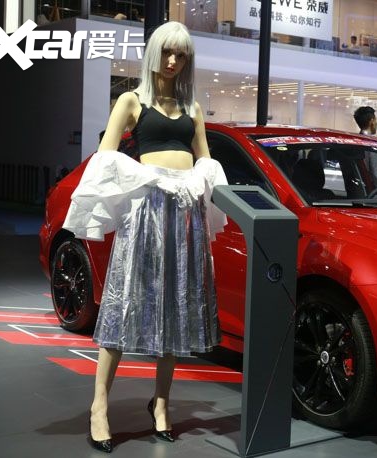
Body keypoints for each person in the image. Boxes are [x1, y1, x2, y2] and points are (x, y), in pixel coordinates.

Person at [62, 21, 228, 452]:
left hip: (184, 215)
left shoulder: (193, 108)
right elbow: (106, 157)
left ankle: (162, 403)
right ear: (154, 52)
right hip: (145, 212)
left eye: (181, 54)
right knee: (124, 303)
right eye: (167, 52)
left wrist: (200, 181)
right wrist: (148, 175)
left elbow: (206, 161)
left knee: (174, 305)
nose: (173, 61)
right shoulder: (131, 101)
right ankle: (99, 406)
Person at [353, 106, 377, 189]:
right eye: (376, 120)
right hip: (371, 192)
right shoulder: (372, 144)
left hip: (356, 189)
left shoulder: (355, 142)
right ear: (372, 121)